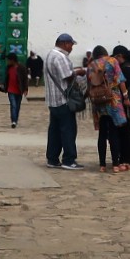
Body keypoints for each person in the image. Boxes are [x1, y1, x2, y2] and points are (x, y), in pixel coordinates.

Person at [44, 32, 84, 170]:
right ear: (65, 43)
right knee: (68, 130)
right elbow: (67, 76)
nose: (72, 48)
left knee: (54, 131)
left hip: (52, 99)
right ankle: (69, 159)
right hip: (63, 99)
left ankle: (52, 158)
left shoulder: (50, 55)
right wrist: (79, 72)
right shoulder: (60, 57)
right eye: (71, 44)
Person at [87, 46, 127, 174]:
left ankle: (102, 165)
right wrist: (125, 96)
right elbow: (120, 80)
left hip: (99, 101)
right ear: (105, 52)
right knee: (114, 132)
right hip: (112, 99)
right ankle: (115, 164)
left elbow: (89, 83)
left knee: (102, 134)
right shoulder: (112, 61)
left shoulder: (91, 65)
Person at [1, 51, 28, 128]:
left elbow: (25, 79)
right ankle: (13, 121)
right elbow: (6, 78)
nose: (8, 61)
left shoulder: (21, 68)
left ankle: (15, 120)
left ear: (13, 60)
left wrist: (25, 89)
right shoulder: (8, 68)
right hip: (10, 90)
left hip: (19, 90)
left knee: (18, 106)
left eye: (9, 60)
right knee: (13, 105)